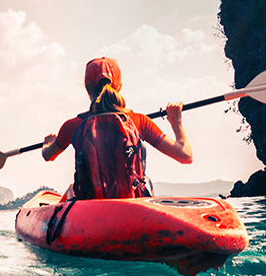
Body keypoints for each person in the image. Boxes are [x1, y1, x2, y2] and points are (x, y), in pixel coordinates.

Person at [41, 57, 192, 199]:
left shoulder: (73, 125)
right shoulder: (139, 121)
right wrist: (176, 122)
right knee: (147, 181)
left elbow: (48, 155)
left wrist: (48, 143)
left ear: (87, 88)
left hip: (90, 207)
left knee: (72, 190)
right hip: (132, 204)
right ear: (119, 86)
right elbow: (185, 156)